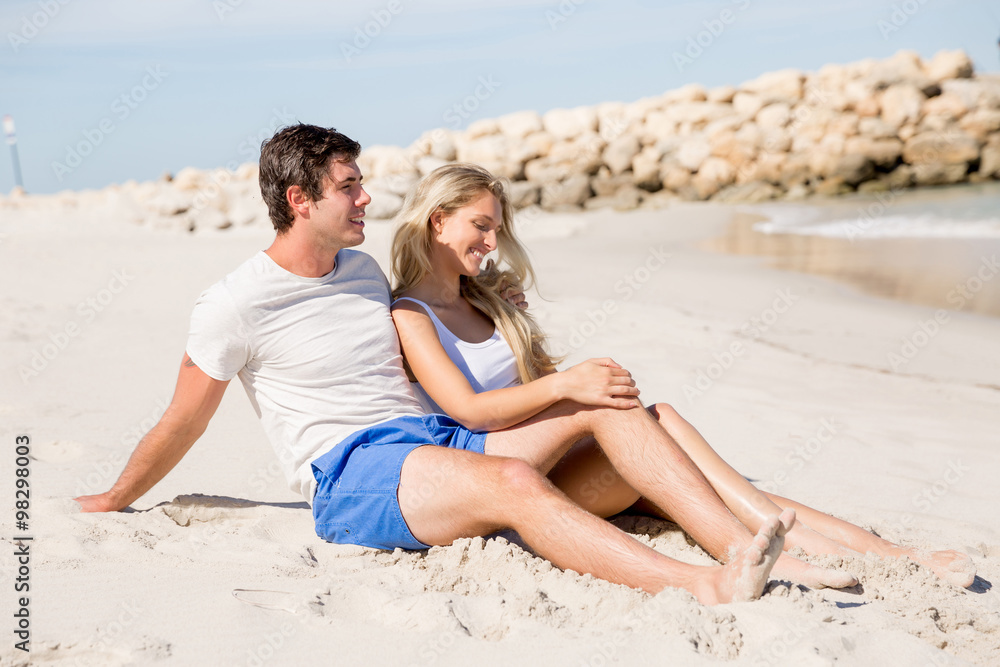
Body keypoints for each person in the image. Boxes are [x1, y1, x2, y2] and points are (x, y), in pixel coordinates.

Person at [74, 123, 794, 606]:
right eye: (349, 186)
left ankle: (743, 547)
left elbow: (428, 317)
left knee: (607, 401)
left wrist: (490, 290)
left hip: (435, 442)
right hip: (353, 470)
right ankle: (704, 586)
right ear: (300, 200)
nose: (367, 198)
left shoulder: (359, 271)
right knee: (513, 479)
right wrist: (114, 497)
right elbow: (183, 419)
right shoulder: (233, 303)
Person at [388, 162, 977, 590]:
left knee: (669, 429)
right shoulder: (410, 313)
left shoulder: (485, 300)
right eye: (480, 227)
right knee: (643, 430)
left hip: (552, 458)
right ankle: (749, 550)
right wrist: (568, 386)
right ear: (438, 222)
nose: (492, 244)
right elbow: (467, 409)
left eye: (497, 229)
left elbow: (533, 390)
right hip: (504, 478)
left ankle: (883, 551)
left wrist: (518, 322)